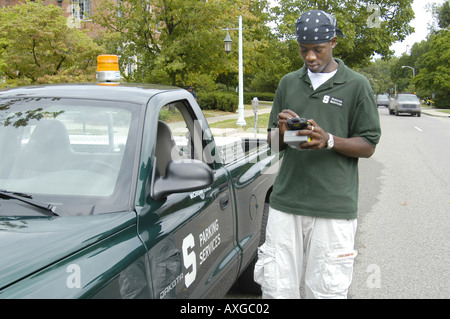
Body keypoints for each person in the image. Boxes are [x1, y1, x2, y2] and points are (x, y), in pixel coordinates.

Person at [254, 9, 381, 299]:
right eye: (303, 49)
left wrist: (329, 140)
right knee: (276, 288)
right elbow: (272, 144)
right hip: (286, 203)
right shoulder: (288, 82)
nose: (310, 57)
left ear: (334, 43)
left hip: (333, 208)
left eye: (318, 49)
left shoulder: (357, 85)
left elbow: (369, 144)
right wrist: (284, 134)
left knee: (326, 292)